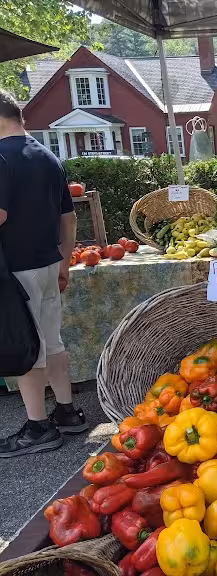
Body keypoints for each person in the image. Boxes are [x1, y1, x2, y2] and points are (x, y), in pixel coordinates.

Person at [0, 89, 87, 457]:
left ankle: (38, 427)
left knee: (27, 346)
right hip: (49, 263)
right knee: (51, 341)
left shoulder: (1, 158)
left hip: (16, 270)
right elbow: (69, 219)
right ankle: (67, 412)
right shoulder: (48, 156)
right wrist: (65, 262)